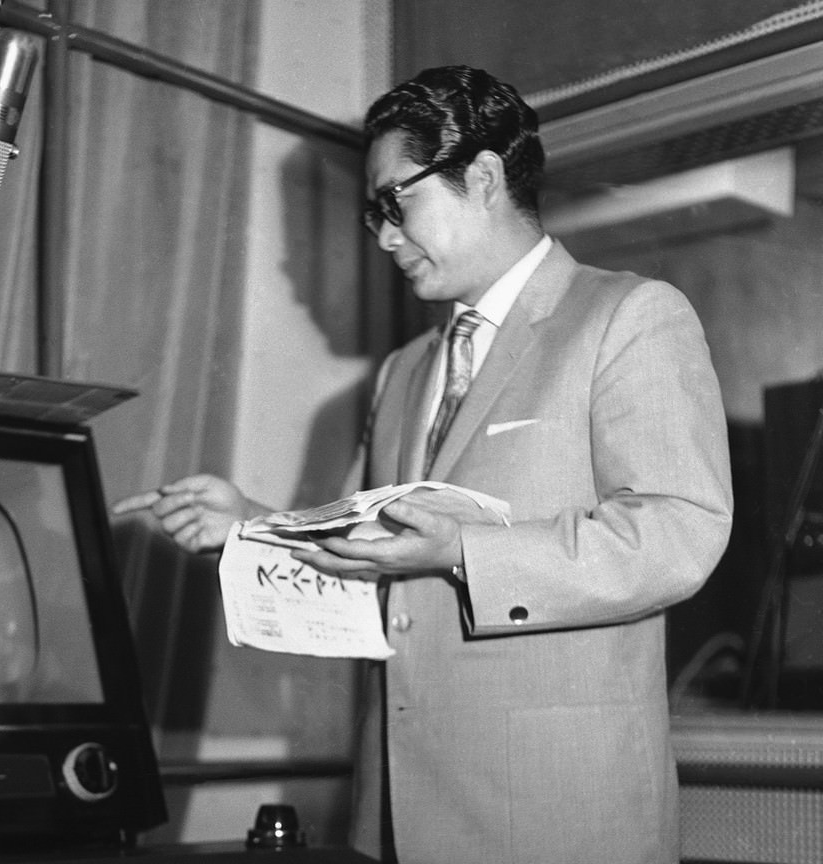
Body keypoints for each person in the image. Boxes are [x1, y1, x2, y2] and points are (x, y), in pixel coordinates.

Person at [113, 65, 733, 864]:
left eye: (393, 203)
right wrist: (250, 526)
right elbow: (368, 552)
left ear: (479, 177)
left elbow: (679, 533)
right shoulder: (405, 369)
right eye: (374, 213)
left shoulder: (629, 317)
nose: (381, 236)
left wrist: (465, 552)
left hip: (557, 818)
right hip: (397, 816)